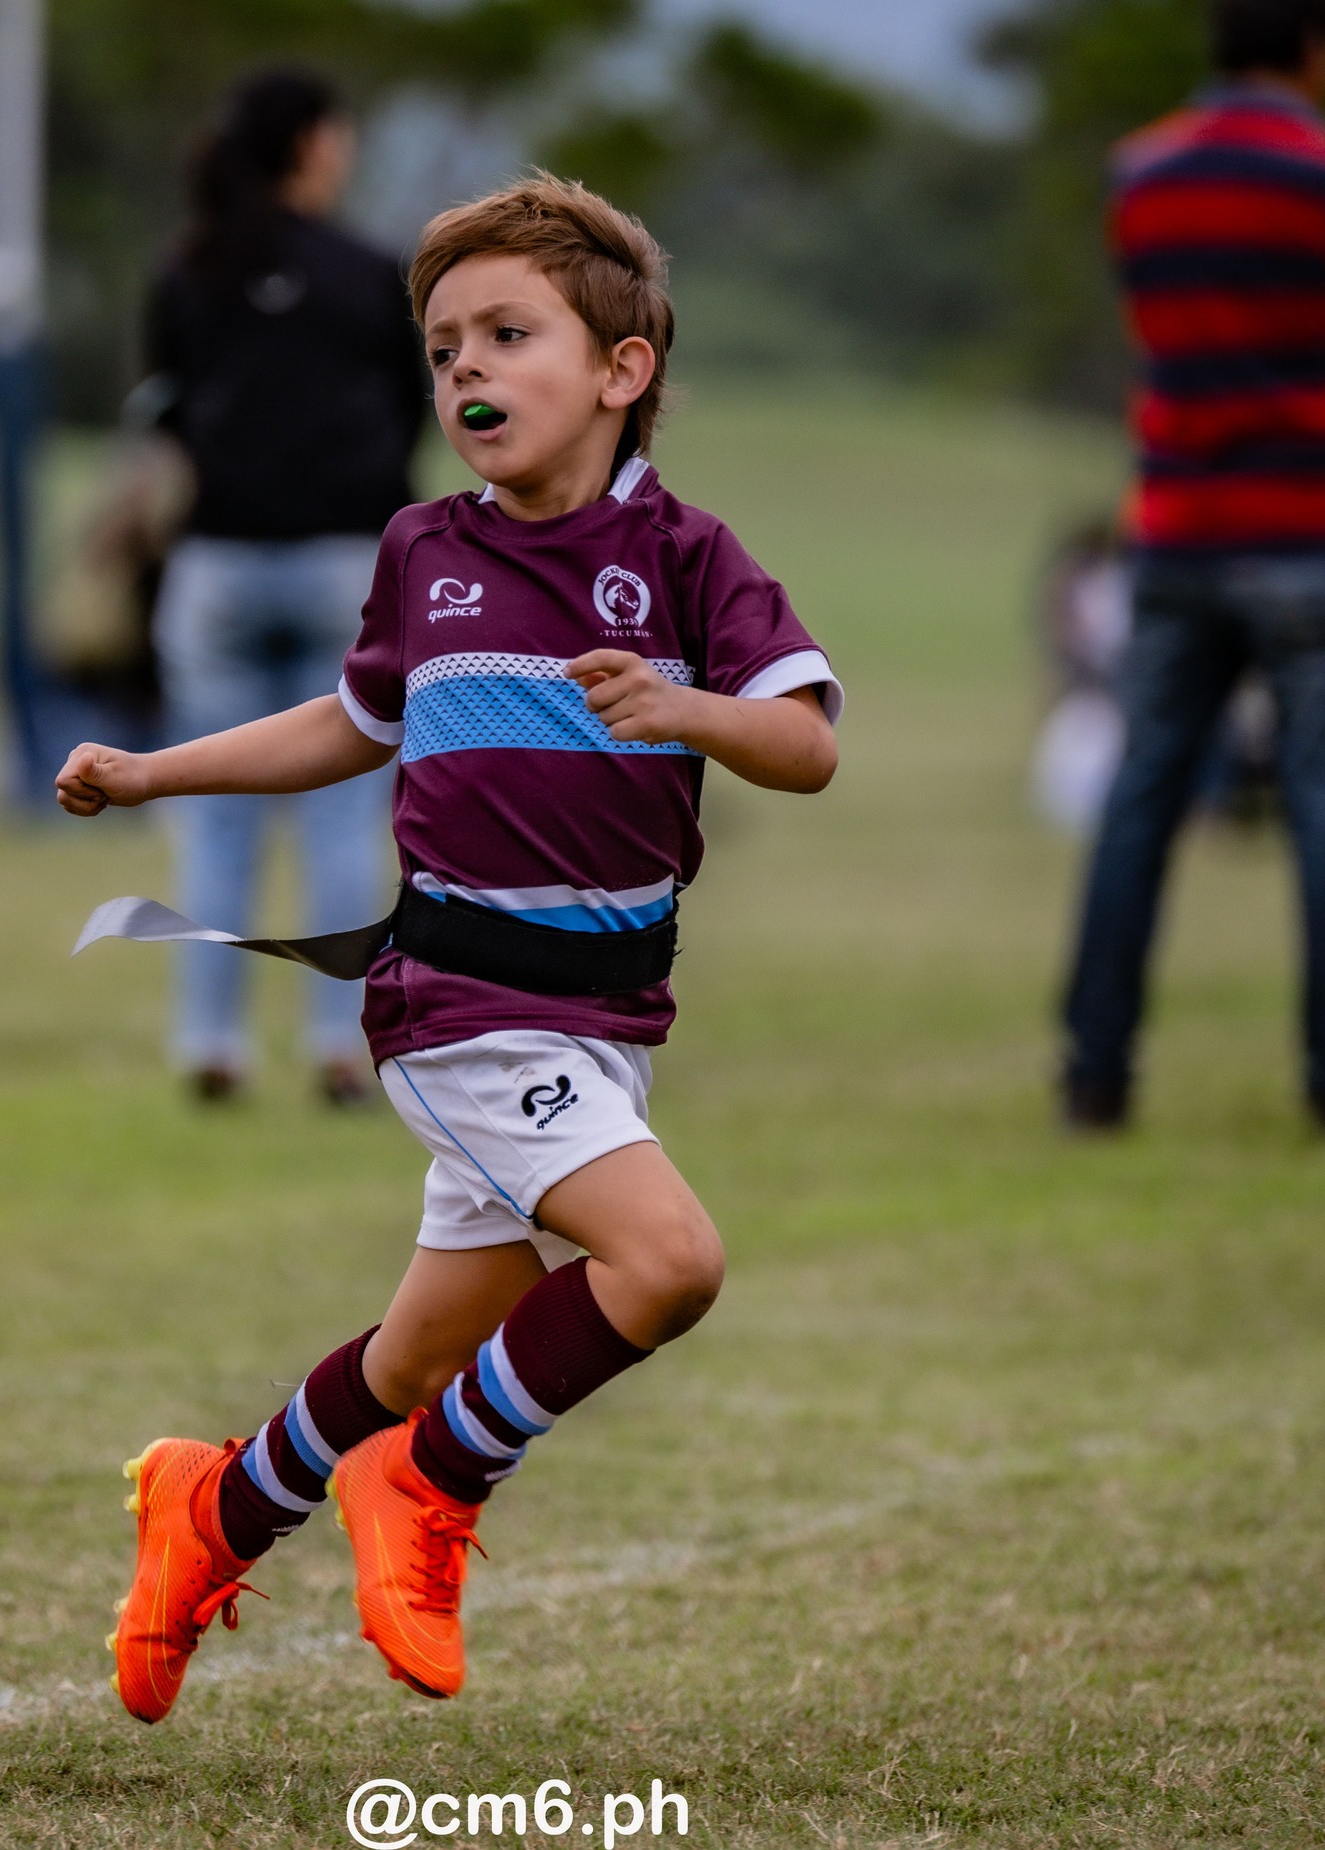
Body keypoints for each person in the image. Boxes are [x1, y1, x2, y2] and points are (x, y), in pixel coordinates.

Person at [56, 175, 841, 1716]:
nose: (465, 369)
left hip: (601, 1016)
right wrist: (157, 770)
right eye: (442, 347)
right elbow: (344, 727)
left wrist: (689, 710)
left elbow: (805, 744)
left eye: (507, 333)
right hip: (458, 1006)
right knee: (669, 1261)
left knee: (416, 1355)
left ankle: (211, 1504)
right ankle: (428, 1489)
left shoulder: (690, 560)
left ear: (623, 370)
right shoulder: (427, 549)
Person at [1057, 0, 1325, 1136]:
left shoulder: (1140, 175)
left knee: (1141, 798)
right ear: (1317, 51)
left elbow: (1169, 314)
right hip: (1313, 531)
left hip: (1177, 527)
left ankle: (1094, 1074)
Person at [143, 68, 427, 1106]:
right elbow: (407, 414)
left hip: (215, 563)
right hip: (343, 567)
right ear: (313, 143)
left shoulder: (188, 268)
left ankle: (209, 1041)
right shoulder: (365, 272)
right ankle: (337, 1044)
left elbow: (162, 409)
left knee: (213, 814)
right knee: (343, 816)